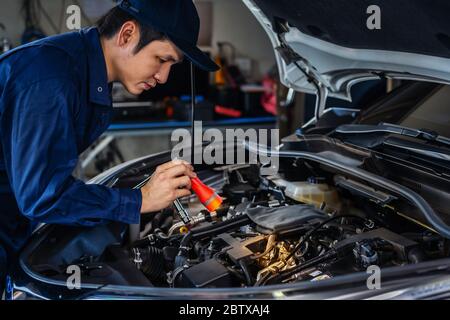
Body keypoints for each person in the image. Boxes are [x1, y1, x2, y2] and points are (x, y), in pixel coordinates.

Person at [0, 0, 219, 295]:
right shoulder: (50, 79)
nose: (163, 77)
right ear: (127, 34)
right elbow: (41, 196)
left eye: (171, 65)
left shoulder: (83, 71)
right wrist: (139, 200)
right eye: (161, 59)